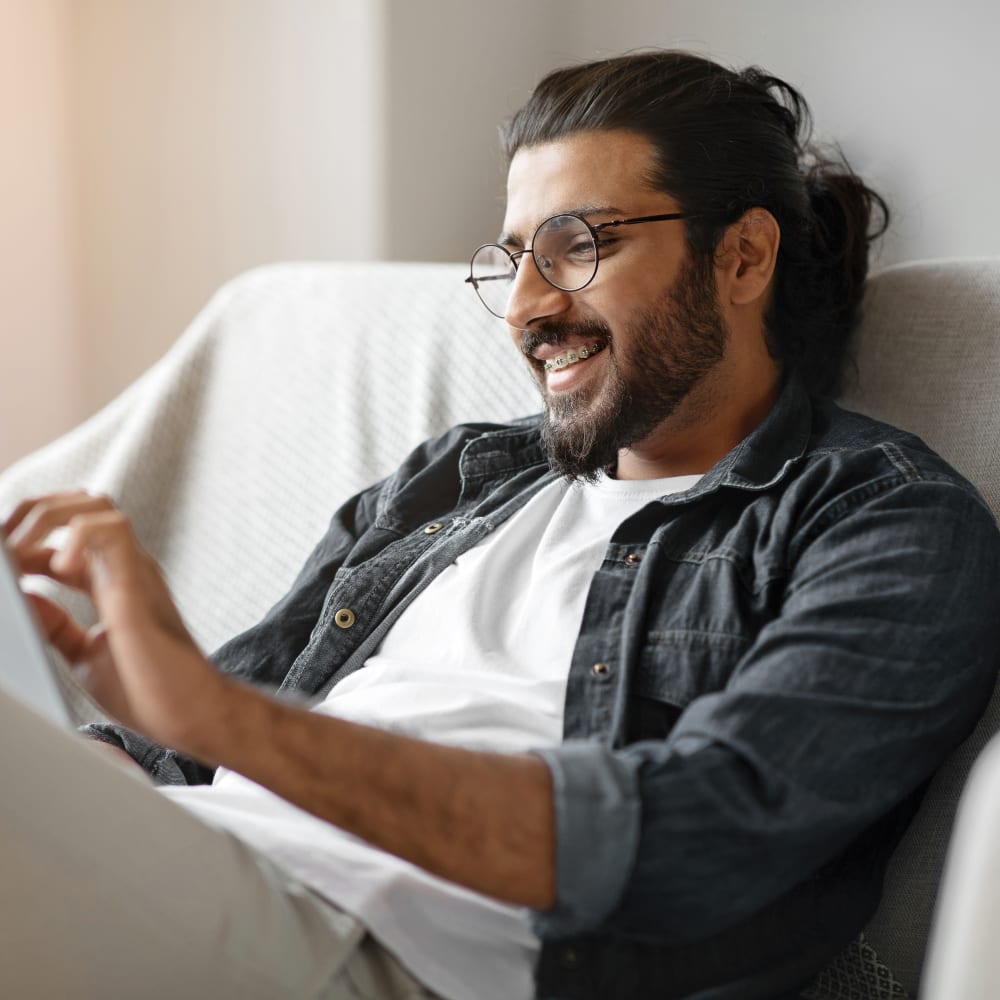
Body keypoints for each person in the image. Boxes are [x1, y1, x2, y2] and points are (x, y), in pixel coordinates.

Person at [3, 49, 999, 1000]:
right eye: (515, 257)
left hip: (395, 956)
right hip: (208, 867)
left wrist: (217, 721)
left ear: (740, 257)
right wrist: (95, 735)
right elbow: (189, 742)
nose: (524, 306)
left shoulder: (883, 521)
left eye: (577, 246)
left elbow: (700, 835)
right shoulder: (460, 476)